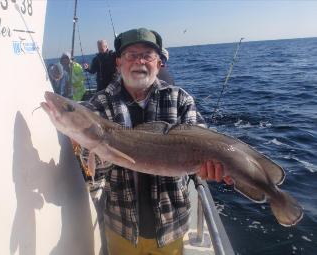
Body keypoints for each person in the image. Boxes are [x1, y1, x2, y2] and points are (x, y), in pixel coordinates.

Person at [80, 28, 232, 255]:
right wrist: (92, 149)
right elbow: (93, 171)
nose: (139, 61)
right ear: (118, 62)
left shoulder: (181, 99)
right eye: (131, 55)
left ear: (159, 63)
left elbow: (201, 145)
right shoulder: (99, 104)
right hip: (120, 227)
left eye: (147, 55)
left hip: (172, 225)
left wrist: (208, 171)